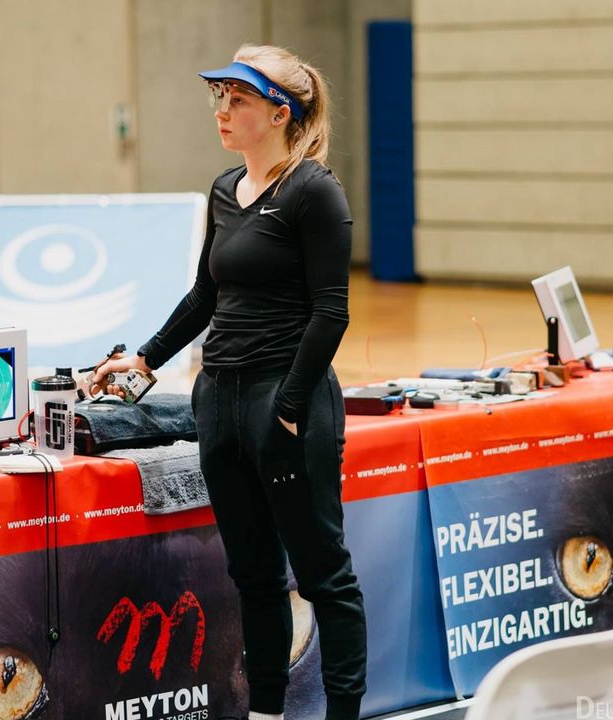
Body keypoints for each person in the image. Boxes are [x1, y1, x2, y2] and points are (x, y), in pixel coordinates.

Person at [93, 44, 366, 720]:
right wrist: (147, 360)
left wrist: (293, 408)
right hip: (219, 400)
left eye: (238, 99)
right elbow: (204, 297)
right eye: (219, 96)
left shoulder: (313, 190)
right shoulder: (224, 189)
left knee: (324, 577)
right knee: (254, 576)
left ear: (279, 113)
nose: (222, 109)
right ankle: (267, 712)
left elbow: (332, 310)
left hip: (285, 399)